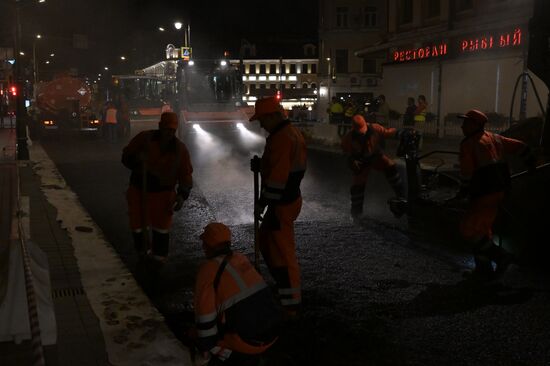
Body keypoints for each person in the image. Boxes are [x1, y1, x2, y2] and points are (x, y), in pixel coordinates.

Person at [457, 109, 536, 279]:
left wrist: (462, 193)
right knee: (484, 231)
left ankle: (502, 256)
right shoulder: (496, 138)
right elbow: (521, 147)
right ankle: (483, 271)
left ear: (475, 125)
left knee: (468, 229)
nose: (462, 126)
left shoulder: (468, 144)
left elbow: (467, 175)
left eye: (466, 122)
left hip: (483, 194)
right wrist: (531, 163)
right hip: (500, 191)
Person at [193, 222, 281, 366]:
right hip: (273, 334)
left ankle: (231, 357)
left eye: (204, 242)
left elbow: (204, 318)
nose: (203, 247)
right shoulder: (241, 259)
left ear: (208, 245)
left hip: (247, 344)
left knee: (197, 335)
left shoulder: (207, 270)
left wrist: (204, 347)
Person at [249, 96, 307, 317]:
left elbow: (278, 179)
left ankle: (291, 303)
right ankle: (283, 287)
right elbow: (279, 168)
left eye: (262, 120)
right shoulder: (285, 134)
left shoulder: (282, 138)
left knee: (283, 252)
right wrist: (262, 165)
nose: (261, 125)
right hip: (285, 200)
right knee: (267, 243)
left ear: (273, 116)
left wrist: (264, 204)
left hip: (282, 203)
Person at [121, 112, 193, 264]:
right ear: (160, 126)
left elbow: (186, 175)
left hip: (163, 195)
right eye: (167, 129)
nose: (169, 133)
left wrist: (182, 195)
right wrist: (136, 159)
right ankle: (142, 254)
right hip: (139, 192)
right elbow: (126, 157)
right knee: (138, 226)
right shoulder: (144, 139)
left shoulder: (180, 150)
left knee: (161, 229)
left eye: (172, 130)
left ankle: (158, 261)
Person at [341, 114, 405, 218]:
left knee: (390, 166)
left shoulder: (375, 128)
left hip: (375, 157)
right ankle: (356, 214)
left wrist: (401, 133)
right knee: (357, 188)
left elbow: (387, 133)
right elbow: (345, 152)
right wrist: (352, 161)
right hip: (361, 162)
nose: (363, 133)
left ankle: (402, 196)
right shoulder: (348, 138)